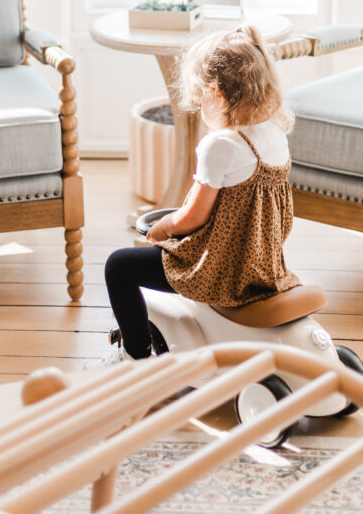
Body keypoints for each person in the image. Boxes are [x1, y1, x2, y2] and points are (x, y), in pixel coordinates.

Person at [102, 23, 300, 362]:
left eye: (200, 102)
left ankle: (135, 356)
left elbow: (193, 216)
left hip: (223, 269)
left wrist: (163, 227)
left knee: (118, 266)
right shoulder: (273, 133)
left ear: (216, 93)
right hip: (262, 264)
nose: (201, 112)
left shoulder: (221, 145)